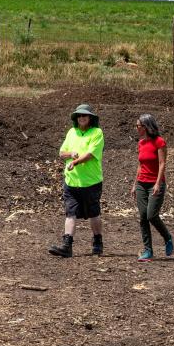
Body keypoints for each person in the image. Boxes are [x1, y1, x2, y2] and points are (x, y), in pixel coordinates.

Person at [48, 104, 105, 258]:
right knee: (70, 213)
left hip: (91, 182)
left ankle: (98, 242)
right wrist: (70, 154)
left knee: (94, 213)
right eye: (79, 116)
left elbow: (91, 154)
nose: (81, 118)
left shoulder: (97, 133)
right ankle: (67, 245)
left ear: (90, 118)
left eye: (84, 115)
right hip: (71, 182)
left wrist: (76, 162)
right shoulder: (71, 132)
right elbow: (61, 152)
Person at [132, 113, 174, 262]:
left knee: (151, 215)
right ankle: (148, 250)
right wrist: (134, 184)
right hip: (141, 184)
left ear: (146, 126)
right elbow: (140, 165)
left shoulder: (159, 142)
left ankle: (167, 237)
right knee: (143, 217)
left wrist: (157, 183)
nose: (136, 128)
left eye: (138, 126)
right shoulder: (141, 143)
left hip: (155, 183)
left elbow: (162, 163)